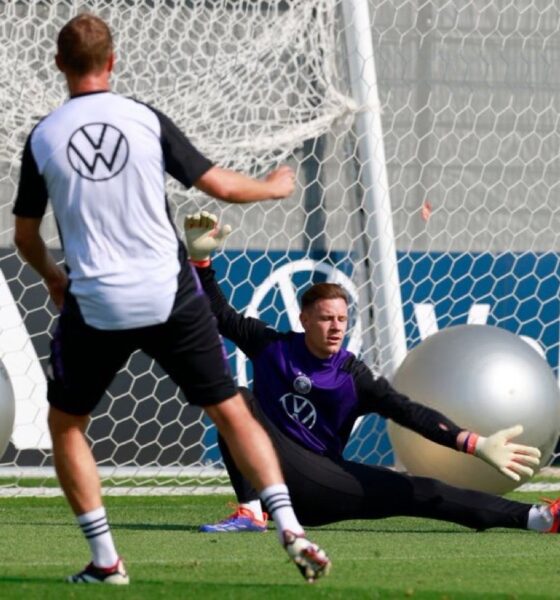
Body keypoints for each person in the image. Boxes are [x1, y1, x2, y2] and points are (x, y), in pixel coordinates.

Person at [12, 13, 330, 585]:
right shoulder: (144, 119)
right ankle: (289, 527)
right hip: (169, 293)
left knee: (66, 426)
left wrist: (53, 279)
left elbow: (25, 237)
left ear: (59, 65)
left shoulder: (44, 136)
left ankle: (106, 560)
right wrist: (275, 187)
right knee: (231, 409)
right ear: (114, 63)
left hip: (97, 301)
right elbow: (222, 187)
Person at [183, 211, 560, 537]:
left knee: (424, 492)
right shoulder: (272, 346)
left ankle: (538, 519)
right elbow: (219, 314)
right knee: (239, 400)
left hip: (319, 485)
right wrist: (200, 261)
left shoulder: (353, 375)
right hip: (268, 476)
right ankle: (250, 512)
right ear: (304, 320)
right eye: (326, 318)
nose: (336, 327)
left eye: (342, 320)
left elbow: (409, 413)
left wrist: (475, 444)